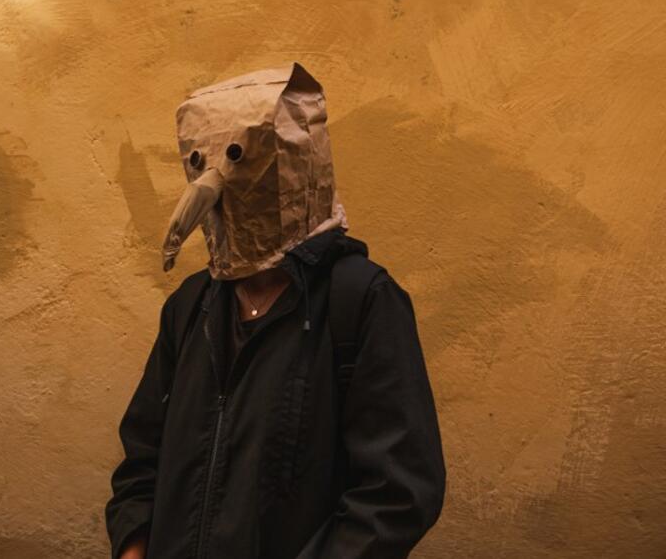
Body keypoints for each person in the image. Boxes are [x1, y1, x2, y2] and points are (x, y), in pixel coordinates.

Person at [106, 63, 445, 558]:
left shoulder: (361, 301)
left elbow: (396, 493)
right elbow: (143, 456)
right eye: (201, 162)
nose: (220, 184)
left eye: (242, 160)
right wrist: (135, 545)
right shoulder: (191, 307)